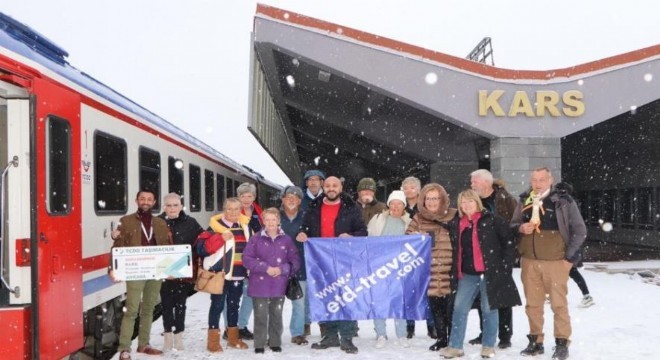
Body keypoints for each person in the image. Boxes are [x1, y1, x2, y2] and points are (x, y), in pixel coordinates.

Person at [511, 168, 587, 360]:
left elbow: (580, 230)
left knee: (558, 305)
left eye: (542, 179)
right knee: (533, 305)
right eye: (534, 180)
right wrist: (520, 227)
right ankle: (535, 341)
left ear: (551, 180)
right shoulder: (524, 199)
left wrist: (569, 258)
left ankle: (562, 343)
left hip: (556, 262)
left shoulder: (563, 201)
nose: (538, 184)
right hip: (529, 262)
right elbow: (512, 225)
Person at [440, 189, 521, 359]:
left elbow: (508, 243)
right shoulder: (457, 223)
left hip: (490, 273)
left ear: (477, 202)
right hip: (467, 275)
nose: (467, 205)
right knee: (459, 308)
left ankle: (488, 346)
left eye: (470, 201)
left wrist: (505, 266)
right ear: (459, 205)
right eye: (463, 202)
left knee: (489, 309)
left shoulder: (492, 220)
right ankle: (455, 346)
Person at [296, 176, 367, 354]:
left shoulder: (351, 207)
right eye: (327, 185)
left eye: (334, 185)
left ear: (341, 187)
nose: (331, 188)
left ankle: (347, 337)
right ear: (323, 186)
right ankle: (330, 335)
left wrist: (351, 236)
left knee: (346, 298)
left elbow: (362, 231)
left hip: (345, 261)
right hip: (320, 261)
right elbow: (304, 228)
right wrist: (302, 234)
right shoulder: (313, 207)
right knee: (326, 297)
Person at [110, 189, 171, 360]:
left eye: (149, 199)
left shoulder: (160, 223)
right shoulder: (126, 221)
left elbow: (167, 247)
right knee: (131, 310)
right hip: (135, 270)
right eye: (142, 199)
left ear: (154, 202)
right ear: (137, 201)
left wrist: (170, 269)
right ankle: (124, 348)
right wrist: (112, 267)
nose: (145, 201)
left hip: (156, 270)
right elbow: (118, 246)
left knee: (149, 308)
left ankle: (144, 344)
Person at [467, 169, 518, 348]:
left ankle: (505, 336)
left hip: (500, 256)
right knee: (483, 297)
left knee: (502, 296)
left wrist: (508, 256)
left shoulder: (506, 200)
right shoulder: (473, 201)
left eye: (474, 181)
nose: (472, 184)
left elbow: (515, 226)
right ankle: (485, 333)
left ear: (486, 182)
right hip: (480, 257)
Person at [406, 183, 457, 352]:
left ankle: (454, 340)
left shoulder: (454, 215)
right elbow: (406, 239)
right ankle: (442, 338)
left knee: (452, 308)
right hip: (430, 271)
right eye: (428, 198)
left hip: (451, 269)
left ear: (442, 198)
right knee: (436, 308)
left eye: (435, 198)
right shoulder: (418, 218)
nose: (432, 202)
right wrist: (414, 237)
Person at [244, 208, 301, 354]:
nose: (270, 223)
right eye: (267, 219)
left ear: (278, 221)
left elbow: (295, 260)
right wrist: (265, 267)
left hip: (279, 284)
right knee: (260, 315)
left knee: (276, 314)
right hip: (259, 284)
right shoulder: (256, 238)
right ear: (263, 221)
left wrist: (282, 269)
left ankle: (275, 342)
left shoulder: (286, 240)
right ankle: (259, 343)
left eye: (273, 219)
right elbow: (247, 259)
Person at [206, 197, 253, 352]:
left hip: (238, 274)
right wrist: (219, 239)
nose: (232, 212)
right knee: (217, 305)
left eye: (236, 209)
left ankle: (233, 337)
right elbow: (202, 248)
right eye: (229, 209)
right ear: (223, 210)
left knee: (234, 305)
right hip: (221, 274)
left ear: (240, 210)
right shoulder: (214, 227)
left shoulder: (245, 226)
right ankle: (213, 341)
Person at [367, 190, 412, 348]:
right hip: (379, 266)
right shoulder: (378, 219)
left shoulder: (409, 222)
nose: (395, 206)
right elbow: (368, 239)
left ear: (404, 206)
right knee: (378, 301)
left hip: (400, 267)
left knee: (398, 301)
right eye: (392, 203)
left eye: (398, 203)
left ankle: (401, 334)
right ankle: (380, 334)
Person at [158, 193, 203, 351]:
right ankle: (167, 336)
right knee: (166, 305)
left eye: (175, 205)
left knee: (181, 305)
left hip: (183, 271)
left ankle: (178, 336)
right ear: (164, 207)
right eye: (169, 205)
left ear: (181, 206)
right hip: (163, 271)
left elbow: (202, 240)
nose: (172, 208)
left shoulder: (190, 222)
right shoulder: (157, 222)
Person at [279, 186, 311, 345]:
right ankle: (273, 332)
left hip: (301, 266)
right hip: (277, 268)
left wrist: (308, 235)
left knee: (299, 302)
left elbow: (316, 236)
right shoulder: (274, 217)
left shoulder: (307, 217)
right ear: (283, 199)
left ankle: (298, 332)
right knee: (275, 303)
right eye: (288, 196)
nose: (292, 199)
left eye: (295, 197)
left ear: (300, 201)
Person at [233, 182, 263, 340]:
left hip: (254, 259)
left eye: (249, 195)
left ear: (254, 197)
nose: (246, 199)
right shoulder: (232, 212)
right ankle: (230, 328)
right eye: (243, 195)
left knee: (249, 293)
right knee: (232, 295)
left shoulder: (259, 213)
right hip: (235, 259)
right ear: (238, 197)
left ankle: (241, 325)